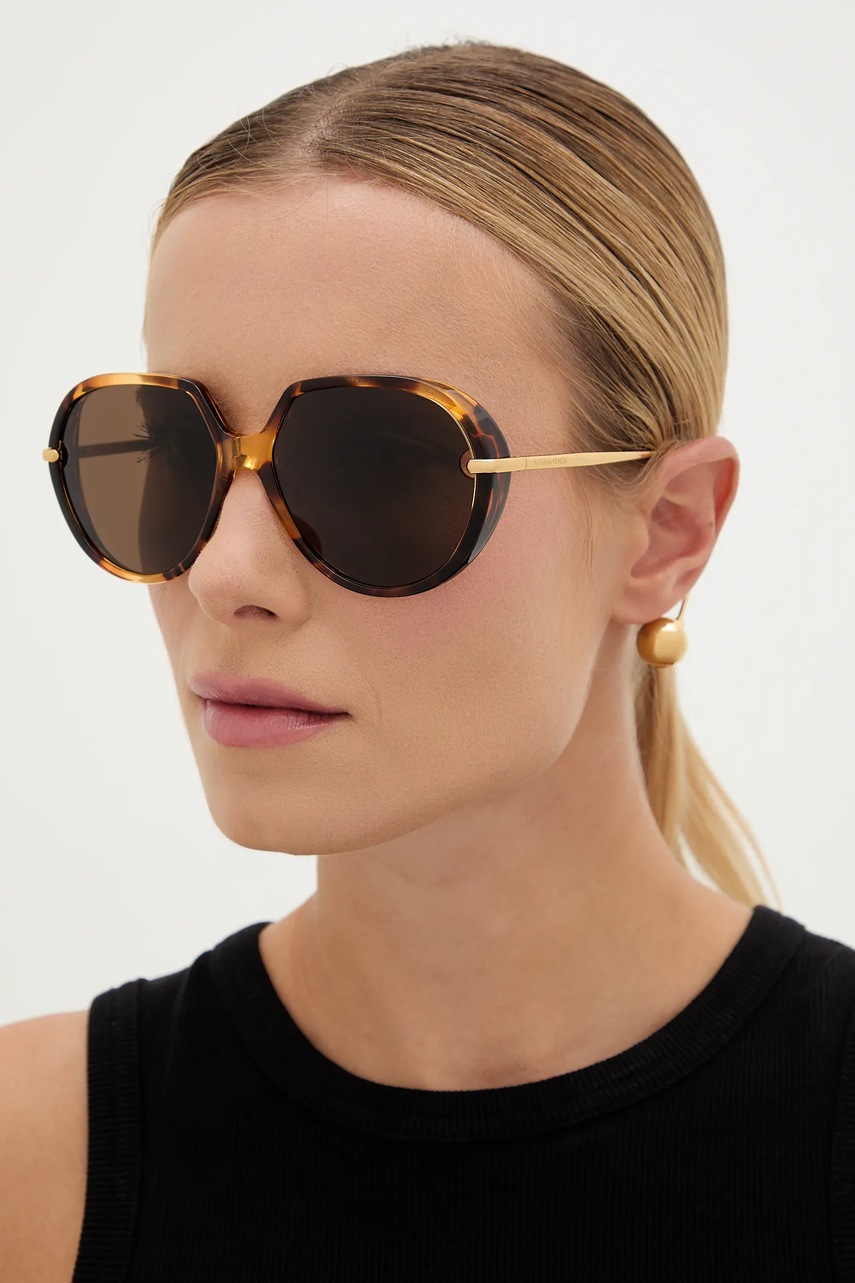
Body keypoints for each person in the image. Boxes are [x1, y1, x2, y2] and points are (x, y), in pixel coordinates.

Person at [4, 38, 854, 1282]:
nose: (226, 572)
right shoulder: (29, 1167)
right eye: (170, 450)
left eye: (374, 463)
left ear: (668, 531)